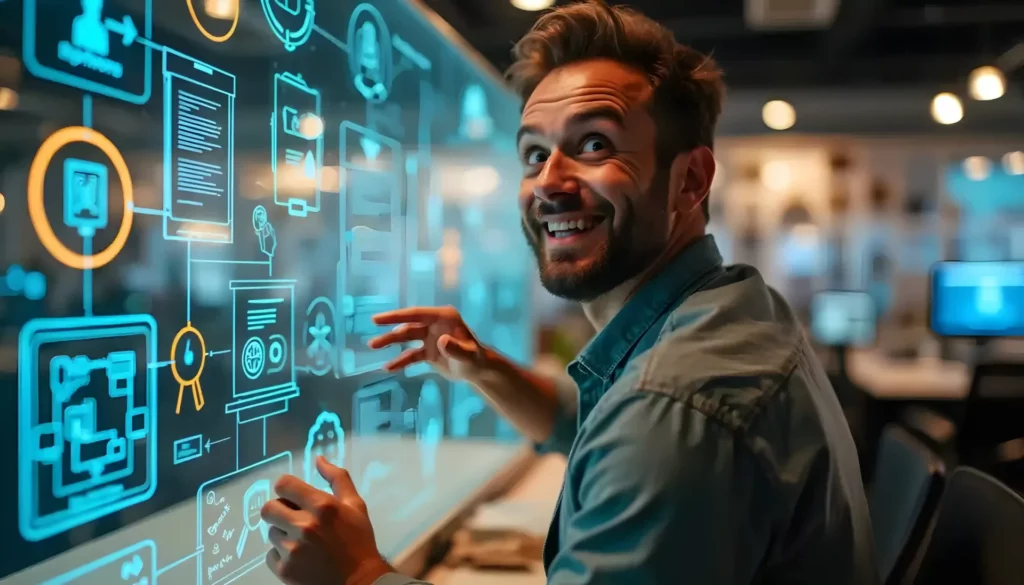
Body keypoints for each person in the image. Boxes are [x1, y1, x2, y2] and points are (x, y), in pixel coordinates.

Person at [260, 2, 878, 584]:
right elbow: (602, 419)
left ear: (690, 179)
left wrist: (360, 574)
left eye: (593, 145)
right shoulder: (730, 309)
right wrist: (484, 368)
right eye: (534, 154)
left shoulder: (676, 404)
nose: (548, 183)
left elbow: (650, 424)